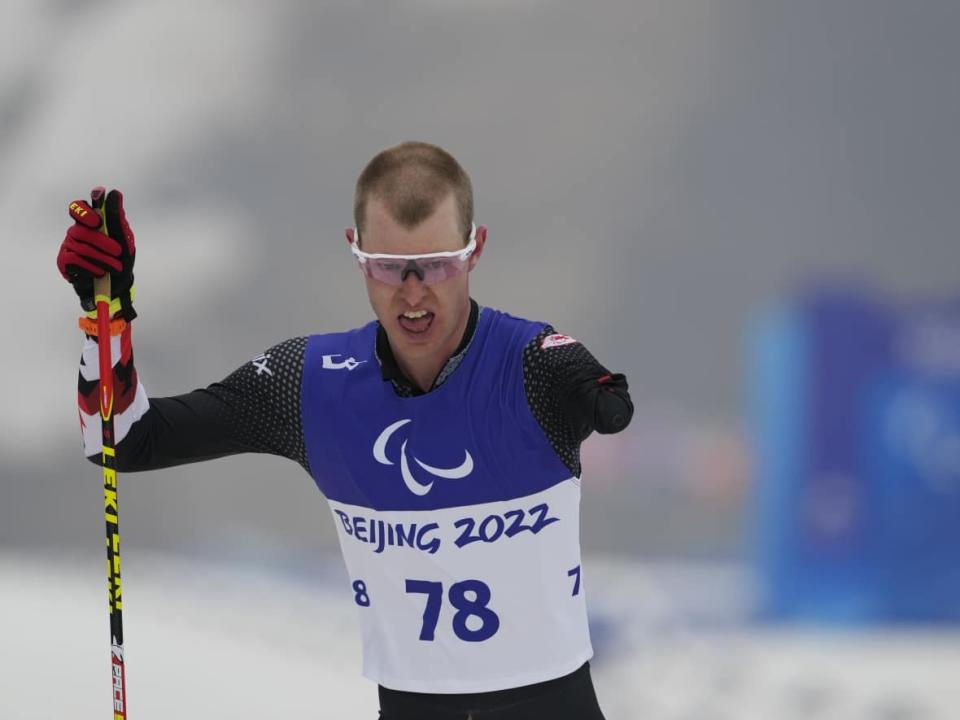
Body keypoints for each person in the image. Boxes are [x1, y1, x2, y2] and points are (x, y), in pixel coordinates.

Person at [57, 141, 634, 719]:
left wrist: (599, 395)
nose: (412, 292)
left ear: (475, 249)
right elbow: (126, 441)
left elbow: (590, 383)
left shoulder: (531, 365)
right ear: (355, 252)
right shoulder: (310, 383)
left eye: (435, 264)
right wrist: (105, 316)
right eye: (388, 267)